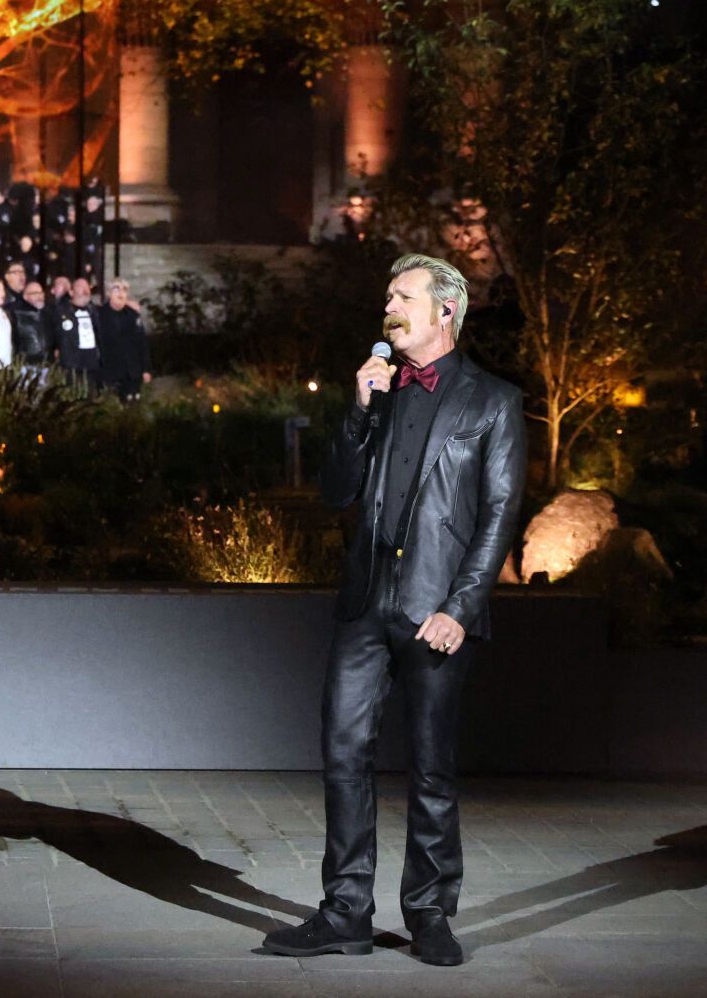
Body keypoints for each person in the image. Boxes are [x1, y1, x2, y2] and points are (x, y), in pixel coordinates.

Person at [263, 254, 524, 968]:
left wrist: (463, 606)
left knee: (432, 765)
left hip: (437, 609)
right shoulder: (377, 389)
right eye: (388, 293)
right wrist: (356, 409)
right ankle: (345, 909)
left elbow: (500, 514)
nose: (390, 304)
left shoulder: (492, 401)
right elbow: (336, 493)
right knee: (343, 752)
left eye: (402, 294)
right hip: (365, 602)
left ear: (445, 310)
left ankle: (430, 912)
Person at [94, 278, 152, 399]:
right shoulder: (98, 315)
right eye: (116, 288)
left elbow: (141, 343)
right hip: (109, 373)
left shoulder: (133, 315)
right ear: (109, 293)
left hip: (132, 372)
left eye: (124, 289)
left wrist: (145, 369)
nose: (121, 293)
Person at [55, 278, 101, 384]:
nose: (86, 290)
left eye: (87, 287)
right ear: (71, 292)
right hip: (72, 365)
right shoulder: (62, 312)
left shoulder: (94, 311)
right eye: (81, 287)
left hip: (91, 363)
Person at [10, 280, 55, 370]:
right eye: (35, 293)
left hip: (47, 364)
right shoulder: (16, 313)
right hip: (26, 365)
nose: (40, 296)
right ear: (25, 296)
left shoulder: (48, 313)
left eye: (41, 292)